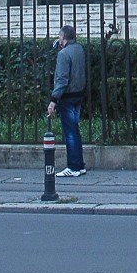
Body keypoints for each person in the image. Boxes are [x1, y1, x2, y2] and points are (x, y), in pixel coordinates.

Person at [46, 24, 88, 176]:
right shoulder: (79, 49)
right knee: (75, 130)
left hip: (67, 96)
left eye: (59, 37)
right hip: (78, 94)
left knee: (70, 132)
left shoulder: (63, 54)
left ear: (63, 38)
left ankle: (73, 167)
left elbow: (62, 79)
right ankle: (79, 164)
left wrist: (53, 100)